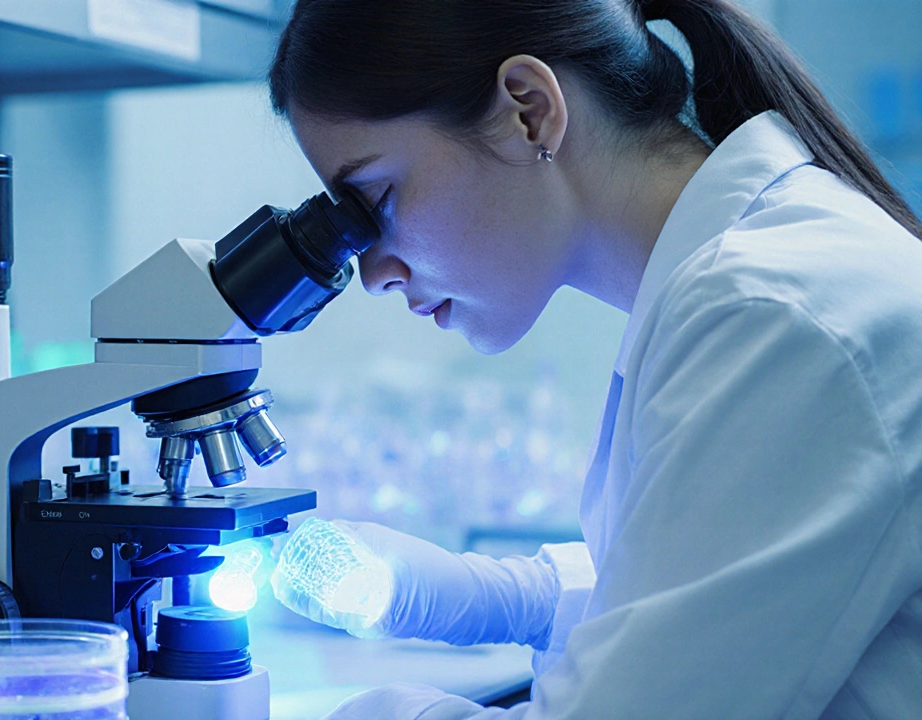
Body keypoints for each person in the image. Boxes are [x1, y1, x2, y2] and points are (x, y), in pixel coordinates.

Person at [264, 1, 922, 718]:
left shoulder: (773, 314)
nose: (373, 271)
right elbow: (729, 589)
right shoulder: (737, 283)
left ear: (529, 111)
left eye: (375, 200)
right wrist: (511, 599)